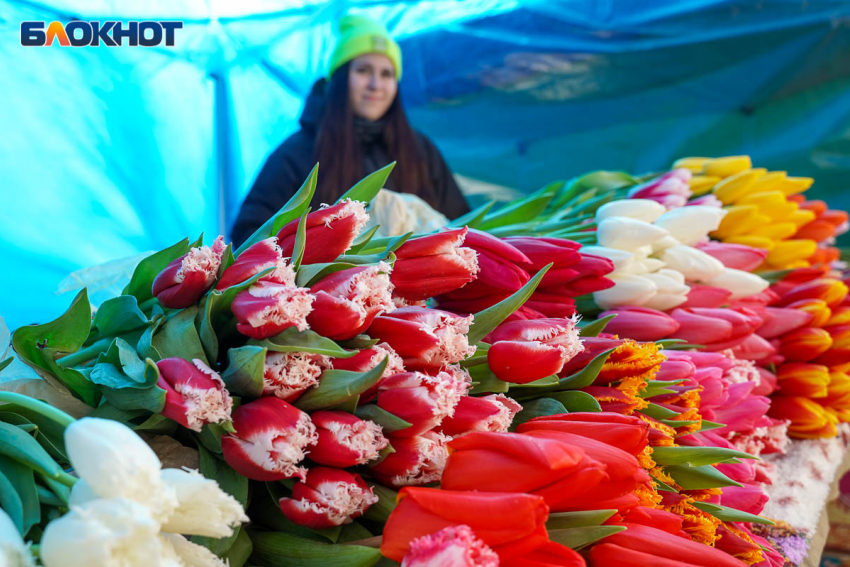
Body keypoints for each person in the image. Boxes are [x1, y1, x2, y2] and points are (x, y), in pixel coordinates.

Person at [230, 15, 470, 247]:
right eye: (363, 70)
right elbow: (249, 237)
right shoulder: (296, 153)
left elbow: (462, 226)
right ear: (341, 77)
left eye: (386, 74)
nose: (375, 85)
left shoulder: (420, 150)